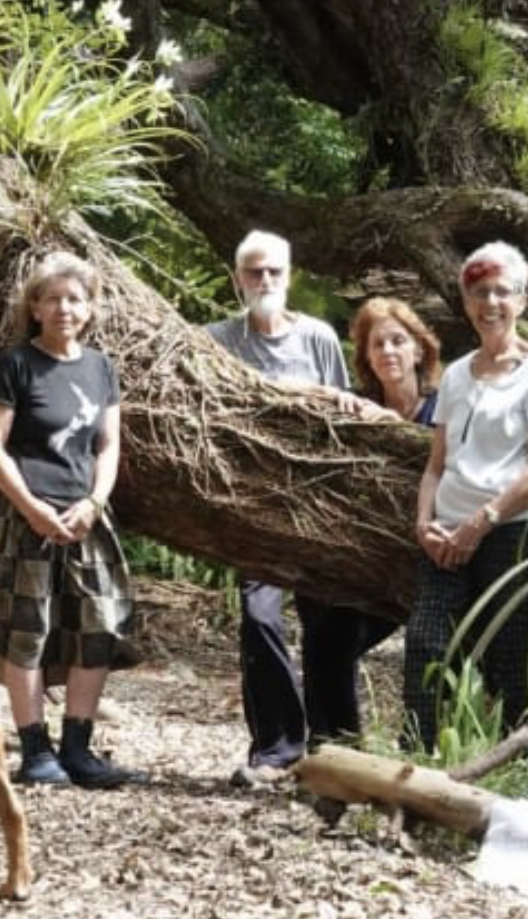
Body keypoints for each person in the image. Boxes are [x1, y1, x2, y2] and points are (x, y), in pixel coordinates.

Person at [206, 230, 392, 787]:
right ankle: (276, 747)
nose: (265, 281)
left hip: (315, 502)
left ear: (290, 276)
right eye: (254, 272)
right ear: (238, 278)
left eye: (274, 272)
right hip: (252, 504)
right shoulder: (215, 339)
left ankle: (334, 746)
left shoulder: (316, 338)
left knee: (325, 622)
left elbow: (340, 414)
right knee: (259, 617)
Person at [0, 250, 146, 789]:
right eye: (53, 299)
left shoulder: (100, 369)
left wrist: (94, 502)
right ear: (36, 307)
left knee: (98, 627)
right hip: (25, 517)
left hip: (85, 517)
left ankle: (79, 748)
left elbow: (109, 445)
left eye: (75, 299)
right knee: (26, 631)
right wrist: (33, 508)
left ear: (91, 308)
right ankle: (35, 750)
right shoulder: (15, 364)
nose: (65, 308)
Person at [404, 241, 528, 747]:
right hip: (446, 534)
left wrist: (484, 520)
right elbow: (436, 465)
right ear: (466, 300)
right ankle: (419, 762)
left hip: (513, 531)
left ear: (520, 301)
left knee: (513, 655)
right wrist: (424, 523)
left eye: (502, 292)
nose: (490, 303)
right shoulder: (455, 375)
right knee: (425, 643)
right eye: (480, 292)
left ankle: (525, 771)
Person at [348, 296, 443, 426]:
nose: (387, 350)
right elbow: (312, 389)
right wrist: (335, 396)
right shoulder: (360, 404)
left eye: (398, 341)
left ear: (419, 351)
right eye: (378, 344)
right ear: (367, 356)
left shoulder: (443, 408)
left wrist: (397, 425)